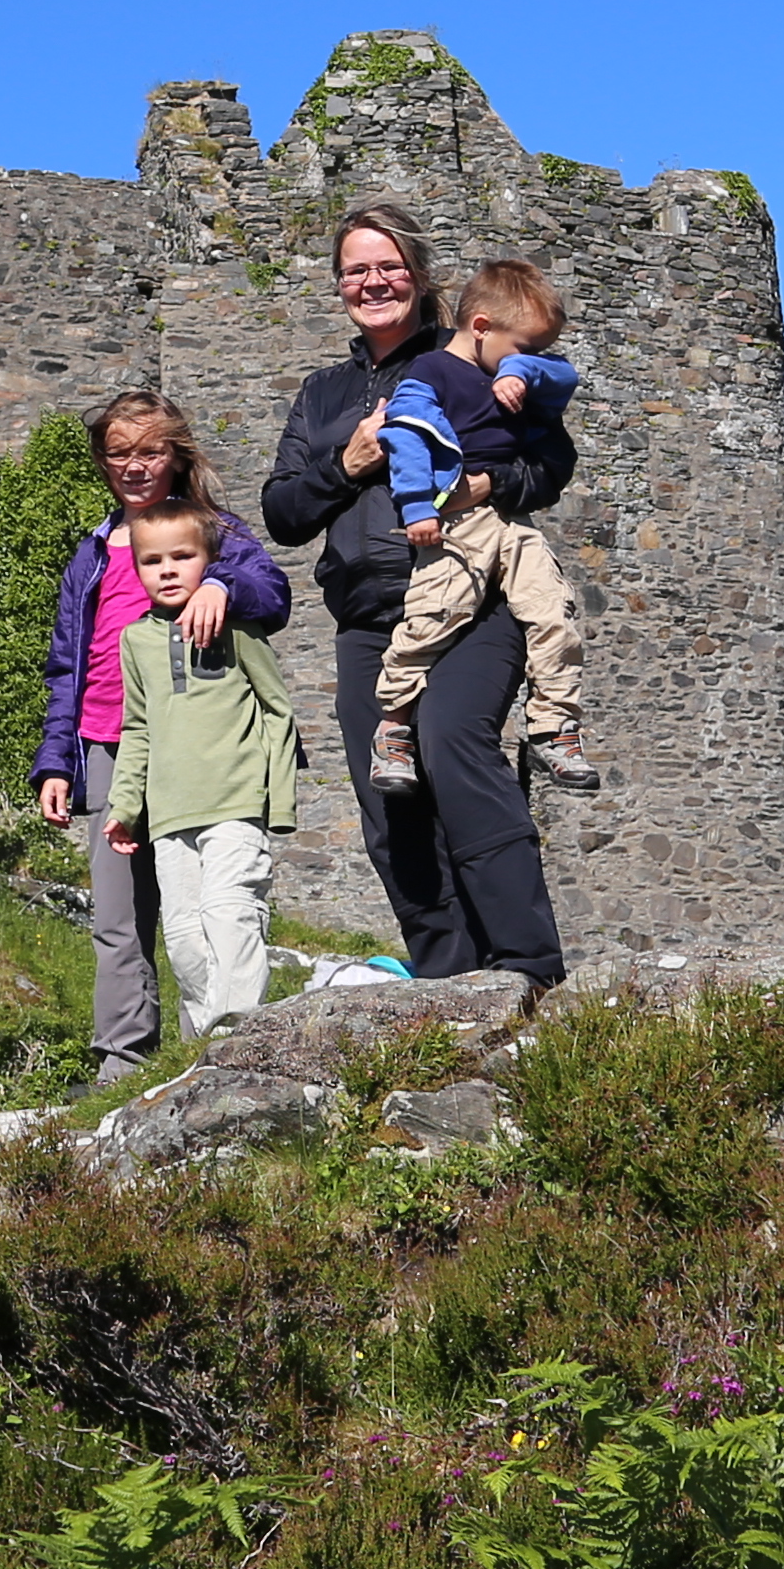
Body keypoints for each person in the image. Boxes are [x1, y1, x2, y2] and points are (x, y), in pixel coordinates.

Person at [257, 207, 572, 986]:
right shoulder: (324, 394)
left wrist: (487, 481)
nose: (373, 282)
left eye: (389, 265)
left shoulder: (474, 359)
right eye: (356, 270)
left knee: (453, 746)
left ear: (421, 276)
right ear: (338, 287)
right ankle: (449, 980)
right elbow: (283, 512)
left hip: (468, 596)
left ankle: (527, 965)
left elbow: (550, 467)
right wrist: (350, 465)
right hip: (367, 616)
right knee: (388, 804)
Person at [24, 391, 294, 1086]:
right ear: (101, 462)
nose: (135, 465)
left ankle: (202, 1050)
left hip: (192, 751)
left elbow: (273, 590)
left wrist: (224, 586)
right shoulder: (91, 553)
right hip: (107, 745)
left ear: (177, 454)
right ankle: (123, 1060)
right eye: (119, 453)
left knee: (201, 907)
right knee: (119, 917)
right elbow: (65, 667)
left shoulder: (215, 532)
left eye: (150, 450)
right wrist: (56, 761)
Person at [369, 256, 597, 797]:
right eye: (525, 349)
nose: (535, 360)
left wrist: (521, 369)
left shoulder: (516, 370)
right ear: (480, 329)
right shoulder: (430, 374)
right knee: (432, 620)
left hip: (511, 521)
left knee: (554, 611)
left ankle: (553, 728)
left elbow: (565, 375)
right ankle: (393, 727)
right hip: (457, 521)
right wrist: (418, 508)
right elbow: (404, 437)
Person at [96, 499, 309, 1039]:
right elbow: (137, 728)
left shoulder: (238, 627)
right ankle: (210, 1038)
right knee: (185, 934)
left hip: (237, 804)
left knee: (229, 910)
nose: (167, 570)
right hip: (169, 817)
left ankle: (235, 1035)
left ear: (210, 559)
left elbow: (277, 710)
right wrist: (125, 807)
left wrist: (278, 802)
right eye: (152, 561)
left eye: (182, 556)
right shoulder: (135, 640)